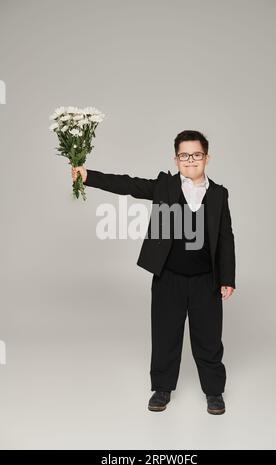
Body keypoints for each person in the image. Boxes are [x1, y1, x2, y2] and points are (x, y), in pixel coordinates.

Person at [72, 130, 236, 415]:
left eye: (196, 154)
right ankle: (161, 389)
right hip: (168, 277)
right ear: (175, 159)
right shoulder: (164, 186)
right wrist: (88, 176)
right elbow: (128, 184)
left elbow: (225, 237)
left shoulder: (220, 194)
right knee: (165, 335)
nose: (190, 160)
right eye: (184, 155)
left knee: (209, 339)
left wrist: (227, 278)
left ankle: (214, 392)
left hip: (205, 281)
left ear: (207, 158)